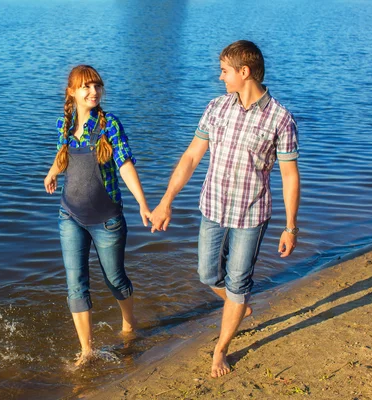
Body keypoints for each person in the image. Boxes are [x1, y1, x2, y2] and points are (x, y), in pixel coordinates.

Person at [150, 40, 301, 378]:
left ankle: (221, 348)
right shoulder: (216, 107)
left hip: (251, 216)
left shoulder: (281, 119)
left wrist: (291, 227)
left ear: (244, 72)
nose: (220, 78)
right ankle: (238, 304)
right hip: (213, 209)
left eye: (224, 71)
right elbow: (191, 157)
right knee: (206, 273)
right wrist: (166, 201)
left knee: (237, 282)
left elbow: (290, 175)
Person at [44, 65, 151, 366]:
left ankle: (129, 323)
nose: (93, 91)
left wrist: (142, 203)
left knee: (115, 279)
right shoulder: (63, 124)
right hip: (70, 216)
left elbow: (125, 164)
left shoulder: (109, 125)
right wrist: (52, 172)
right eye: (86, 87)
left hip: (107, 219)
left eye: (97, 86)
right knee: (75, 282)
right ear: (72, 92)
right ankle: (86, 350)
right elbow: (61, 155)